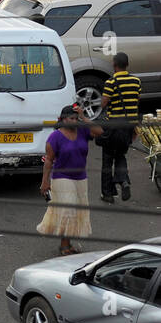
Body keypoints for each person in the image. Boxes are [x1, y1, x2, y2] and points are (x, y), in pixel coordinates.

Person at [37, 105, 103, 255]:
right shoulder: (55, 137)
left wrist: (84, 117)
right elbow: (48, 161)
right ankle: (64, 246)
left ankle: (68, 243)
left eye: (76, 118)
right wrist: (45, 182)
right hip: (62, 178)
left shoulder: (83, 130)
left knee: (77, 211)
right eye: (71, 119)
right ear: (63, 119)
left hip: (80, 177)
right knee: (68, 211)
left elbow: (99, 131)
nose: (74, 121)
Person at [100, 52, 141, 203]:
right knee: (121, 155)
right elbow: (135, 102)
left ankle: (108, 194)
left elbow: (104, 103)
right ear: (127, 65)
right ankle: (123, 181)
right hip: (128, 126)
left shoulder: (110, 82)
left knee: (107, 159)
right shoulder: (136, 81)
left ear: (114, 64)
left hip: (113, 127)